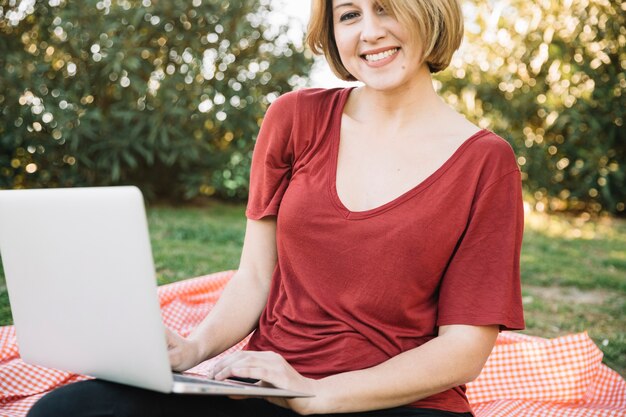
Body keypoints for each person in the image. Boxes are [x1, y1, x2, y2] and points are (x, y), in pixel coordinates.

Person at [27, 0, 524, 416]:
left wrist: (321, 393)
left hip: (401, 402)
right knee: (64, 411)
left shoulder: (486, 162)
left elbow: (463, 350)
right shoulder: (295, 118)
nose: (369, 33)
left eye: (386, 8)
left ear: (429, 12)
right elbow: (255, 276)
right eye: (349, 16)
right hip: (268, 387)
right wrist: (193, 349)